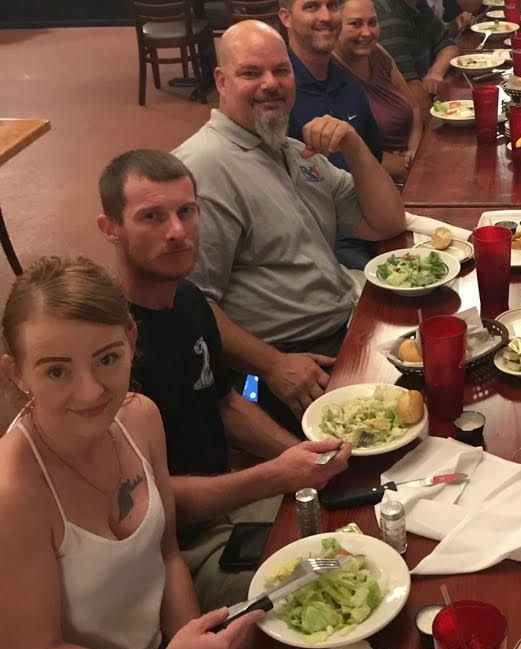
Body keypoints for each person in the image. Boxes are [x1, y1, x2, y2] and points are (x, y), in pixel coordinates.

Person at [0, 256, 334, 649]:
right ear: (17, 374)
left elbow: (166, 553)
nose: (90, 390)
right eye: (56, 370)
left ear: (131, 341)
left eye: (107, 358)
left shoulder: (138, 419)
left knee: (316, 644)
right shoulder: (14, 491)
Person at [96, 150, 350, 610]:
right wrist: (275, 475)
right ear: (110, 228)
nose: (177, 232)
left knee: (357, 524)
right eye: (151, 217)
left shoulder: (190, 299)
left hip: (230, 503)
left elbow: (226, 404)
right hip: (177, 552)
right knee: (337, 585)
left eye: (186, 211)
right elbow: (150, 503)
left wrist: (300, 456)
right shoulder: (108, 351)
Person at [173, 20, 405, 434]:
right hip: (295, 364)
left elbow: (386, 221)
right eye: (251, 73)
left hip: (349, 323)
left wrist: (353, 145)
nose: (271, 84)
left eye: (281, 71)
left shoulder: (295, 151)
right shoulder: (204, 169)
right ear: (221, 81)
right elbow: (189, 304)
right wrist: (274, 366)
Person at [276, 0, 382, 171]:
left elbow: (373, 157)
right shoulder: (276, 92)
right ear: (286, 17)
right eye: (312, 7)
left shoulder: (348, 83)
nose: (326, 16)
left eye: (332, 6)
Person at [334, 0, 424, 184]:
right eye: (355, 24)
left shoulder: (378, 54)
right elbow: (345, 157)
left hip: (414, 167)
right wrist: (402, 167)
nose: (367, 32)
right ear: (334, 25)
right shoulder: (330, 72)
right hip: (377, 184)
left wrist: (414, 153)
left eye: (372, 22)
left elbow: (415, 109)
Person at [371, 0, 458, 105]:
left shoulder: (417, 3)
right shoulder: (386, 14)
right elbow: (411, 94)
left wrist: (435, 72)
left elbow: (449, 45)